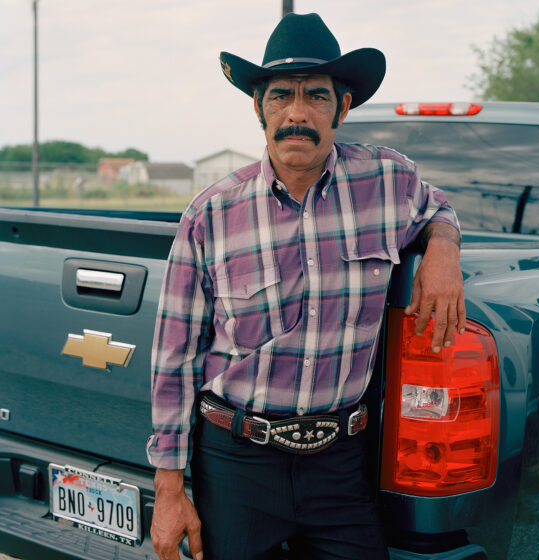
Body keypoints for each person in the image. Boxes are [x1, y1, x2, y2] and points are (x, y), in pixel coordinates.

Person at [147, 12, 465, 560]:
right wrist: (169, 490)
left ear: (342, 107)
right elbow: (174, 359)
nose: (297, 114)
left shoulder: (390, 181)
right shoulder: (211, 214)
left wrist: (443, 249)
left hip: (341, 463)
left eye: (316, 96)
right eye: (279, 97)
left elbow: (440, 207)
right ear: (258, 108)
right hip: (237, 462)